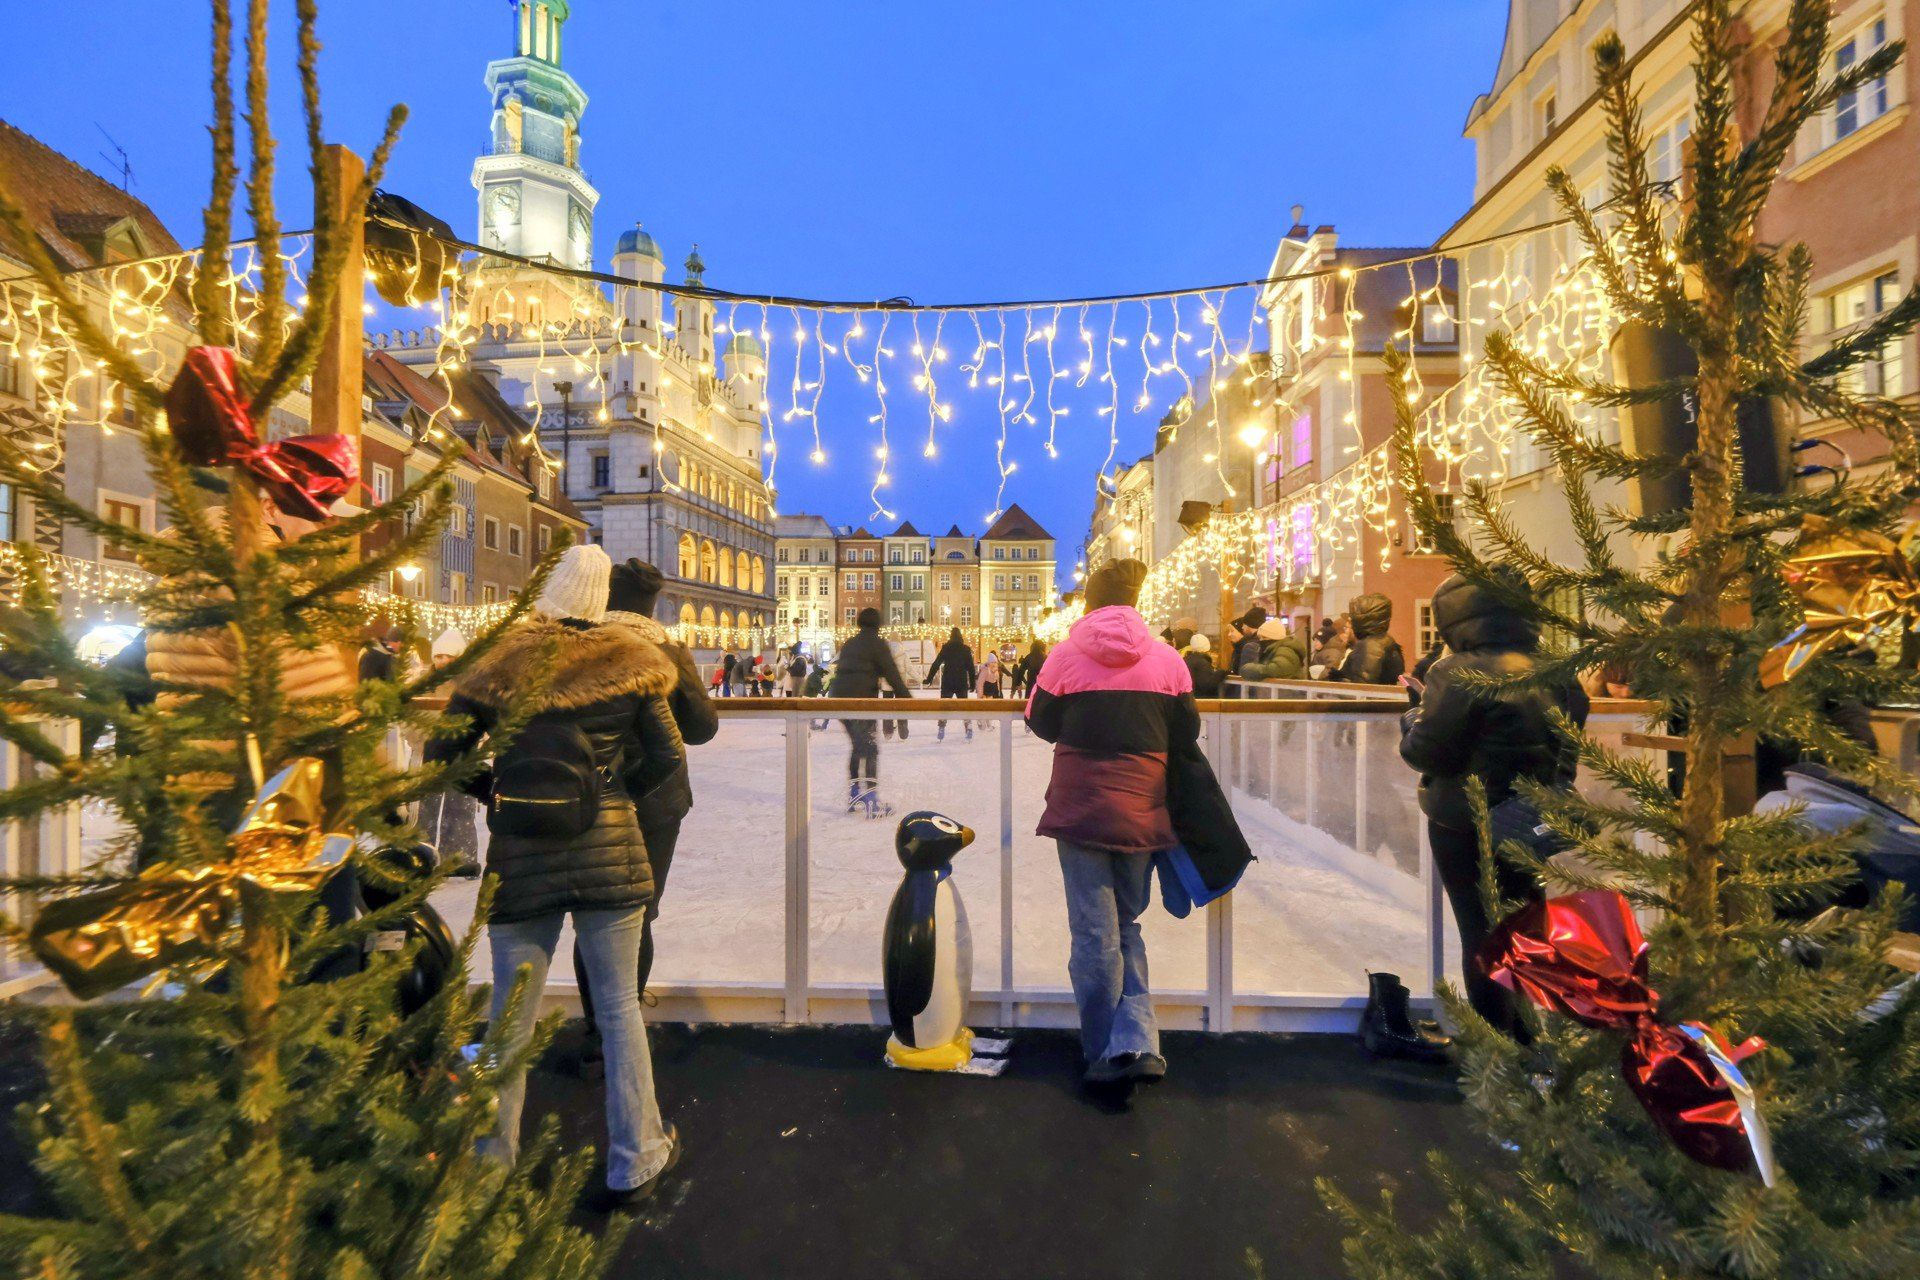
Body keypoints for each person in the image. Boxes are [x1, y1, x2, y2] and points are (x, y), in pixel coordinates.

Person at [427, 544, 685, 1210]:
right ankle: (637, 1158)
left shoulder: (499, 659)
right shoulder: (630, 662)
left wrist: (500, 793)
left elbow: (442, 753)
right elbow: (667, 755)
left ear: (546, 592)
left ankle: (491, 1166)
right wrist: (610, 794)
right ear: (599, 602)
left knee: (510, 1016)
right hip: (613, 850)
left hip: (523, 857)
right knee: (621, 1007)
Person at [1027, 559, 1198, 1086]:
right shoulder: (1170, 660)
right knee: (1126, 925)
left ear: (1091, 604)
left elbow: (1038, 719)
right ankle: (1138, 1041)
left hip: (1080, 808)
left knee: (1092, 932)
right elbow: (1186, 730)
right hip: (1142, 809)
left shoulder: (1064, 656)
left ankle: (1104, 1051)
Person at [1398, 570, 1588, 1037]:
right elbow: (1568, 739)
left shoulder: (1456, 672)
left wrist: (1412, 714)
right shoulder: (1557, 669)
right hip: (1531, 817)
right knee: (1524, 927)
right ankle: (1528, 1036)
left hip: (1466, 822)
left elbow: (1426, 752)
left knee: (1480, 931)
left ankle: (1494, 1046)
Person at [569, 558, 721, 1059]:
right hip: (654, 801)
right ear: (652, 603)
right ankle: (626, 1030)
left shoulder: (582, 644)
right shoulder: (666, 650)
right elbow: (701, 729)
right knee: (638, 915)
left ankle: (598, 1034)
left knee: (595, 915)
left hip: (591, 796)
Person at [829, 607, 913, 814]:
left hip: (839, 699)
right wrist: (907, 699)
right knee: (870, 748)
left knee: (859, 746)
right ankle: (871, 800)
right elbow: (891, 673)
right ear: (878, 624)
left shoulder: (849, 643)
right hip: (861, 702)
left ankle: (855, 794)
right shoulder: (877, 643)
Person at [417, 627, 480, 873]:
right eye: (438, 656)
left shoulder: (471, 683)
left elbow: (478, 717)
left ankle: (460, 860)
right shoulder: (424, 683)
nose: (443, 661)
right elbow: (412, 716)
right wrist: (423, 741)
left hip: (461, 753)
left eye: (449, 656)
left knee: (460, 807)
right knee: (427, 809)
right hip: (430, 753)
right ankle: (422, 857)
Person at [1333, 594, 1405, 685]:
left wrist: (1338, 680)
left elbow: (1362, 689)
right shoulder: (1384, 641)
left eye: (1353, 616)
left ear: (1362, 619)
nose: (1350, 620)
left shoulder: (1369, 647)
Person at [925, 627, 977, 742]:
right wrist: (973, 683)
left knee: (944, 706)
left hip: (948, 681)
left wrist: (929, 678)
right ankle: (968, 728)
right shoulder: (965, 649)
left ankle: (941, 728)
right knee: (964, 707)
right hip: (961, 682)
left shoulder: (946, 648)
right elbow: (971, 668)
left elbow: (936, 663)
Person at [1240, 618, 1308, 682]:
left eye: (1264, 637)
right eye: (1259, 637)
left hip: (1290, 692)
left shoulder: (1285, 649)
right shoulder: (1272, 649)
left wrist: (1250, 669)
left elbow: (1279, 669)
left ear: (1274, 637)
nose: (1261, 640)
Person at [1184, 633, 1225, 698]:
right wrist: (1221, 673)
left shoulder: (1185, 660)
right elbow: (1208, 685)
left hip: (1188, 699)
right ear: (1207, 648)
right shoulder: (1202, 663)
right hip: (1200, 701)